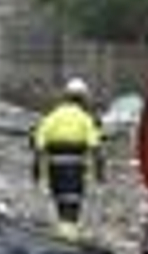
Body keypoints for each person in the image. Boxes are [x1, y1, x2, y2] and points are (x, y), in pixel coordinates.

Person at [32, 77, 103, 239]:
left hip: (54, 168)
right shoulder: (85, 119)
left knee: (60, 203)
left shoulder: (52, 116)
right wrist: (99, 175)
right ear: (83, 98)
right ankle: (69, 239)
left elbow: (39, 145)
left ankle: (64, 234)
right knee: (72, 205)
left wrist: (36, 172)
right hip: (75, 168)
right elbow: (96, 148)